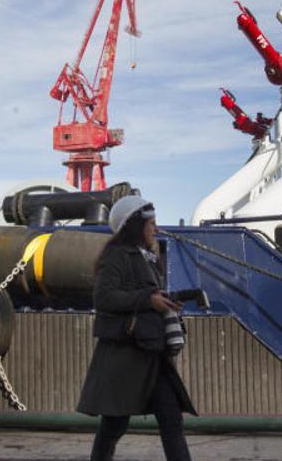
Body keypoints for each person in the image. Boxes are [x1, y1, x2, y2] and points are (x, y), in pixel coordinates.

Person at [78, 195, 196, 461]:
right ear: (134, 225)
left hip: (153, 353)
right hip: (127, 357)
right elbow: (103, 298)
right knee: (114, 425)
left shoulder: (148, 258)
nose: (156, 228)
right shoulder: (117, 256)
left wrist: (165, 301)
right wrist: (148, 300)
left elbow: (143, 295)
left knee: (171, 420)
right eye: (151, 223)